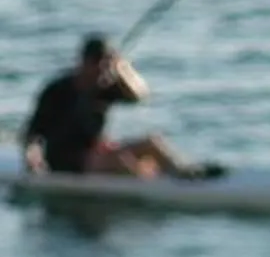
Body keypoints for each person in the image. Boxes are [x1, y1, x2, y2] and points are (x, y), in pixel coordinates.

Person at [21, 34, 193, 178]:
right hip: (65, 159)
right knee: (121, 162)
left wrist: (122, 68)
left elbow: (140, 96)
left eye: (107, 69)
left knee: (152, 143)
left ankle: (185, 173)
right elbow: (32, 133)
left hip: (95, 152)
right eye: (99, 68)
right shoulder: (57, 90)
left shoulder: (105, 85)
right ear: (85, 63)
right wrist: (32, 158)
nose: (103, 76)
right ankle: (150, 183)